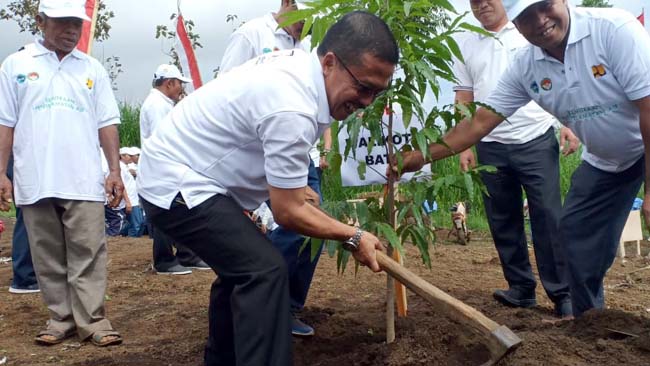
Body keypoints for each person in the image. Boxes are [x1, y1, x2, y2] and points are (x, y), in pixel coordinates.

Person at [138, 11, 396, 366]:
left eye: (376, 93)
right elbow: (287, 211)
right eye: (363, 87)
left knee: (243, 268)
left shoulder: (302, 76)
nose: (366, 101)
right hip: (178, 184)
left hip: (193, 177)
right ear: (330, 62)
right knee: (264, 270)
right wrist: (353, 235)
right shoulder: (293, 102)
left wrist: (290, 189)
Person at [394, 0, 650, 318]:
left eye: (545, 6)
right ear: (516, 23)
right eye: (527, 16)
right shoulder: (526, 66)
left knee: (554, 221)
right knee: (572, 235)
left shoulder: (614, 30)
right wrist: (420, 157)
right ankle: (590, 322)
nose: (540, 20)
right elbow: (478, 122)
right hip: (607, 161)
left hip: (643, 143)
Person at [0, 0, 124, 346]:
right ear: (41, 21)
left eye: (77, 24)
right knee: (47, 253)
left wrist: (114, 170)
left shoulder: (92, 68)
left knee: (88, 251)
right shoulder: (16, 64)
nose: (72, 30)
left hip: (82, 176)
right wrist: (1, 172)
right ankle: (61, 318)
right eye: (63, 22)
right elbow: (5, 123)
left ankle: (94, 321)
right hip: (34, 175)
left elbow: (107, 122)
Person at [453, 0, 577, 318]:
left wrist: (567, 122)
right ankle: (521, 289)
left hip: (534, 137)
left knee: (548, 217)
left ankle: (563, 294)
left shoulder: (526, 30)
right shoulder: (464, 42)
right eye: (474, 1)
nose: (482, 6)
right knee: (502, 218)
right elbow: (464, 97)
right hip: (490, 144)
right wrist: (465, 146)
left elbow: (560, 75)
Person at [219, 0, 333, 337]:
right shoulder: (251, 36)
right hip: (259, 151)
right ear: (287, 3)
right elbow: (225, 92)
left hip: (299, 149)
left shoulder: (313, 45)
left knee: (313, 224)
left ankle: (288, 305)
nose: (308, 24)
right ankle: (263, 304)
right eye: (304, 15)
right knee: (291, 223)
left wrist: (325, 141)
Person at [139, 64, 209, 274]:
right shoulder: (157, 105)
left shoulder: (162, 103)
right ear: (169, 83)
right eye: (180, 84)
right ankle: (164, 260)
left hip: (168, 167)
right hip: (162, 168)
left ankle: (187, 255)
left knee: (180, 209)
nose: (181, 89)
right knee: (165, 211)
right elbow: (165, 138)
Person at [7, 155, 39, 294]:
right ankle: (25, 278)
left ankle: (27, 275)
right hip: (22, 160)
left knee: (28, 214)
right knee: (29, 214)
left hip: (18, 159)